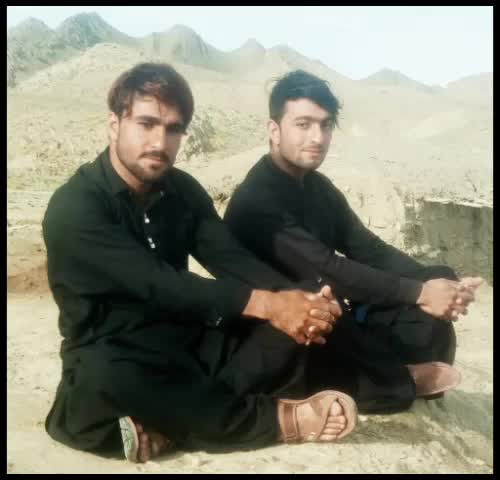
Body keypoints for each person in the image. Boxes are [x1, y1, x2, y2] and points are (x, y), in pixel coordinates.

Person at [42, 62, 362, 463]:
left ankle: (173, 424)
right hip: (117, 352)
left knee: (284, 333)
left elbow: (232, 260)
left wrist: (300, 301)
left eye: (173, 129)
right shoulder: (75, 207)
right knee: (105, 377)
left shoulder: (182, 190)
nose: (160, 141)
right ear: (114, 124)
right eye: (146, 124)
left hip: (185, 343)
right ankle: (279, 420)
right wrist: (267, 303)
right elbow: (160, 283)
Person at [224, 69, 483, 391]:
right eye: (303, 125)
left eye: (326, 125)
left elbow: (368, 249)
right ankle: (389, 381)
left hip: (333, 310)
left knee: (436, 276)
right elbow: (327, 268)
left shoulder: (318, 187)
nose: (318, 138)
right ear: (274, 130)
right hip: (280, 329)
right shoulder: (257, 199)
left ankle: (389, 371)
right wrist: (420, 293)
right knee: (326, 300)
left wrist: (439, 286)